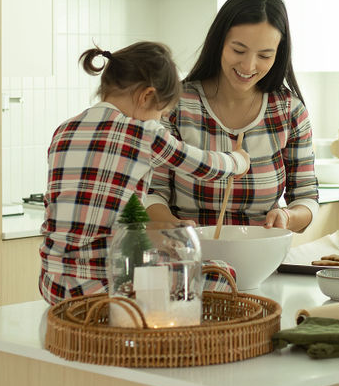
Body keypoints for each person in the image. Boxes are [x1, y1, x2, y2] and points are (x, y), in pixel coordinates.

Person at [39, 41, 249, 303]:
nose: (160, 121)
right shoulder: (144, 134)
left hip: (54, 285)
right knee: (222, 273)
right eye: (161, 113)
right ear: (146, 96)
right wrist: (238, 161)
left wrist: (165, 233)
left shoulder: (63, 131)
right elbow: (204, 165)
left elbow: (97, 207)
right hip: (106, 288)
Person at [146, 0, 318, 233]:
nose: (248, 66)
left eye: (264, 55)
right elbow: (152, 192)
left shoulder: (289, 111)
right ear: (219, 43)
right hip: (191, 254)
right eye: (238, 50)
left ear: (278, 55)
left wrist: (287, 216)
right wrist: (176, 227)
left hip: (261, 257)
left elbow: (307, 197)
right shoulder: (175, 105)